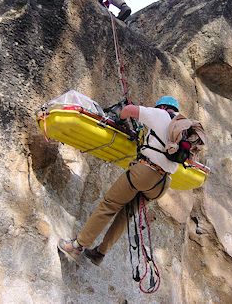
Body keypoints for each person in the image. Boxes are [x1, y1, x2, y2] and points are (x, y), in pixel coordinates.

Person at [58, 96, 181, 265]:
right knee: (125, 215)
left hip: (145, 172)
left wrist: (122, 119)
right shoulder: (183, 129)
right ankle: (99, 254)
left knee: (109, 205)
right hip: (163, 183)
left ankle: (78, 245)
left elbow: (128, 111)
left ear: (163, 106)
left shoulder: (161, 115)